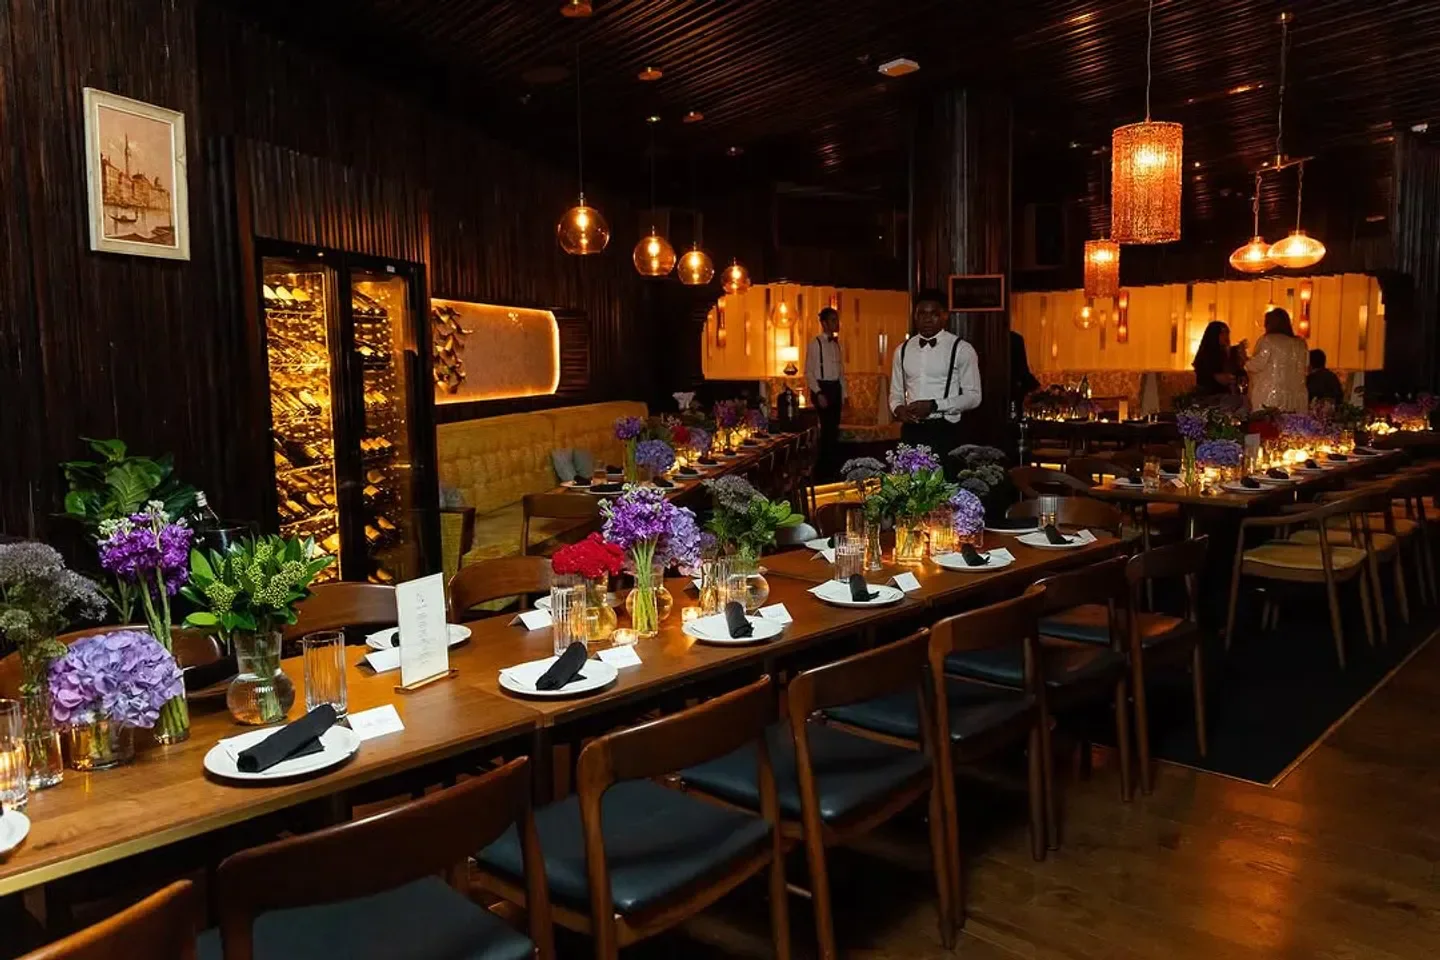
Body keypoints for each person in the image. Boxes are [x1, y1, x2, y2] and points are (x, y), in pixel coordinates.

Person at [889, 288, 981, 456]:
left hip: (945, 430)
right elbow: (895, 393)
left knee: (946, 480)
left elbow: (974, 397)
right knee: (909, 481)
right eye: (922, 313)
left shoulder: (961, 349)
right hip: (911, 431)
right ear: (915, 316)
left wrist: (935, 406)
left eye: (933, 314)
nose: (927, 319)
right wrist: (898, 408)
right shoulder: (902, 350)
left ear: (945, 316)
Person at [805, 307, 846, 476]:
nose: (837, 323)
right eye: (833, 320)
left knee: (833, 430)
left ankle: (831, 468)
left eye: (837, 320)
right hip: (822, 388)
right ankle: (822, 470)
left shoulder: (836, 344)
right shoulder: (816, 343)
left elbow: (841, 371)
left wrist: (845, 394)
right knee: (826, 430)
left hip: (835, 387)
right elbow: (808, 372)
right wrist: (818, 392)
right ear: (823, 323)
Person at [1245, 307, 1309, 412]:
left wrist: (1244, 361)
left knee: (1268, 425)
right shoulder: (1301, 344)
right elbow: (1305, 366)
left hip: (1269, 395)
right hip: (1295, 395)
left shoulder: (1268, 340)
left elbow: (1257, 365)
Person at [1192, 321, 1244, 397]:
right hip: (1211, 397)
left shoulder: (1230, 353)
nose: (1226, 336)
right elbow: (1204, 376)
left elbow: (1238, 373)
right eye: (1222, 333)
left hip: (1229, 396)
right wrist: (1216, 377)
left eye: (1227, 333)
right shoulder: (1206, 354)